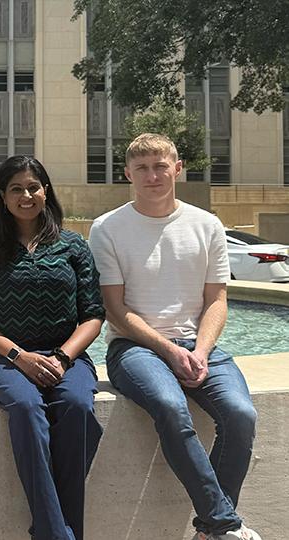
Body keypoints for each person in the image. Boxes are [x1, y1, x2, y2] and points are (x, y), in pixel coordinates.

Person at [89, 133, 260, 540]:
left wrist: (200, 350)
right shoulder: (108, 228)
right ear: (127, 173)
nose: (153, 176)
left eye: (160, 166)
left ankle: (211, 530)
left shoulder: (207, 225)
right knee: (170, 405)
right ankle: (224, 524)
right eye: (143, 168)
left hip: (199, 346)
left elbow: (217, 300)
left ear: (177, 168)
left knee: (241, 417)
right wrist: (167, 349)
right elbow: (114, 307)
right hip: (135, 349)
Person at [0, 155, 104, 540]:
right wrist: (19, 356)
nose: (26, 195)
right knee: (27, 408)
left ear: (46, 192)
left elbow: (93, 314)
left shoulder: (73, 246)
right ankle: (58, 534)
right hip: (3, 357)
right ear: (2, 196)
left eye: (33, 187)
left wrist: (62, 357)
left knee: (78, 407)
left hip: (67, 355)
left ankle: (51, 530)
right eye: (16, 188)